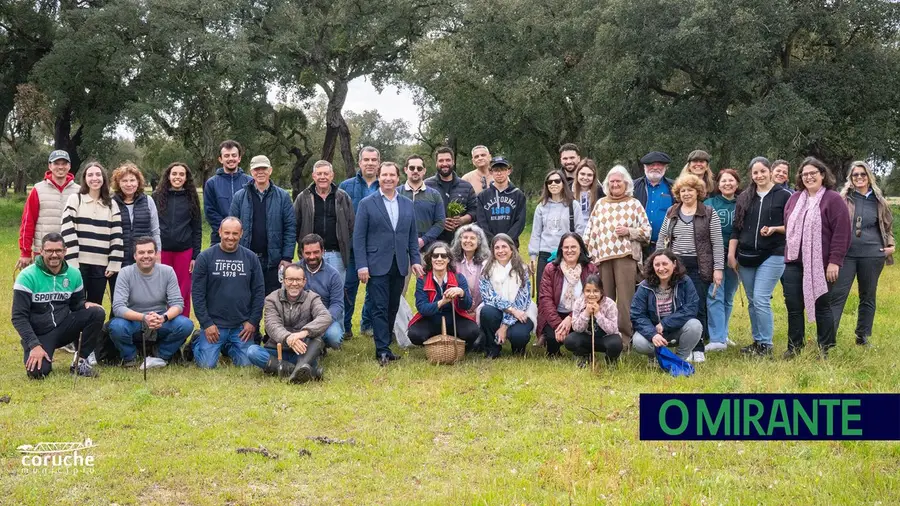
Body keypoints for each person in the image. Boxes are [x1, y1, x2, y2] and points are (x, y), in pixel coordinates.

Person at [353, 161, 424, 366]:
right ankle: (382, 349)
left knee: (393, 305)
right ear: (378, 176)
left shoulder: (406, 204)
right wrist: (362, 266)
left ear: (397, 177)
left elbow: (412, 236)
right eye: (384, 175)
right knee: (379, 307)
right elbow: (359, 238)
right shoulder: (367, 204)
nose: (388, 179)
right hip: (376, 264)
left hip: (400, 264)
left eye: (392, 175)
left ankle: (387, 343)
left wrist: (415, 261)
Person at [783, 157, 851, 359]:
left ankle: (825, 348)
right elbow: (789, 227)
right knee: (794, 307)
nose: (809, 177)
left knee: (823, 306)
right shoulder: (794, 198)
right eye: (805, 174)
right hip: (794, 262)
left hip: (821, 264)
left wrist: (834, 261)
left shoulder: (833, 199)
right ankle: (794, 348)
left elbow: (842, 233)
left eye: (813, 173)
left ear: (822, 175)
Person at [13, 233, 104, 379]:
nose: (54, 255)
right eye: (49, 251)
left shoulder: (74, 274)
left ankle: (79, 362)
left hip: (63, 327)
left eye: (58, 251)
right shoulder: (27, 276)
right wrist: (34, 345)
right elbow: (18, 317)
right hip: (39, 334)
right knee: (38, 373)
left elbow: (76, 304)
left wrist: (85, 304)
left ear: (65, 251)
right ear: (41, 251)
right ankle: (35, 349)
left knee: (96, 312)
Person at [656, 174, 724, 363]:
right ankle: (680, 344)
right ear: (678, 193)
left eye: (690, 190)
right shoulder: (672, 211)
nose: (686, 194)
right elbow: (662, 238)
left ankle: (699, 347)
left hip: (700, 266)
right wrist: (660, 262)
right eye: (683, 190)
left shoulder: (709, 213)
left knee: (698, 306)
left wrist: (718, 269)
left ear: (698, 192)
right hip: (675, 266)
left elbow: (717, 244)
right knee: (676, 306)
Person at [728, 157, 792, 356]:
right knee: (752, 300)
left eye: (763, 171)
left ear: (770, 171)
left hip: (774, 253)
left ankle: (766, 344)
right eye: (755, 173)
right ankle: (757, 341)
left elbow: (794, 226)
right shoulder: (745, 197)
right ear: (751, 175)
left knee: (761, 298)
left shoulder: (785, 196)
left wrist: (774, 229)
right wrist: (732, 254)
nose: (759, 176)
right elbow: (736, 228)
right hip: (746, 255)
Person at [583, 165, 651, 348]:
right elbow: (589, 232)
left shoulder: (634, 204)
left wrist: (629, 231)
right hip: (603, 259)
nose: (614, 184)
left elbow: (647, 232)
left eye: (618, 181)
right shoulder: (601, 204)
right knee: (605, 299)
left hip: (625, 258)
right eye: (611, 181)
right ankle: (606, 337)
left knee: (625, 301)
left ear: (626, 183)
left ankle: (625, 339)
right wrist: (590, 253)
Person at [830, 161, 895, 346]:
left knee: (867, 296)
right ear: (850, 178)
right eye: (855, 175)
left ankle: (862, 336)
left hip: (873, 254)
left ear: (869, 177)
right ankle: (828, 339)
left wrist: (891, 245)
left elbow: (888, 227)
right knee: (837, 296)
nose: (859, 177)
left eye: (862, 174)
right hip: (846, 255)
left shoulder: (879, 201)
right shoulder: (842, 199)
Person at [109, 237, 194, 369]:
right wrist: (144, 318)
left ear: (156, 254)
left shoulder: (167, 272)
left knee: (186, 324)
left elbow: (178, 304)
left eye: (150, 252)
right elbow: (118, 308)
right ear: (135, 256)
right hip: (135, 320)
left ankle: (160, 356)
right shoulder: (125, 273)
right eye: (141, 253)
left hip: (159, 319)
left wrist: (164, 317)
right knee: (116, 326)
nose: (146, 256)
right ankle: (130, 357)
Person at [191, 217, 265, 368]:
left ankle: (226, 346)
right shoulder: (205, 257)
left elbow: (259, 292)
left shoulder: (251, 258)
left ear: (241, 234)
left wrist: (252, 322)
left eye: (235, 233)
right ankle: (197, 340)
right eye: (227, 233)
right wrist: (207, 323)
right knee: (207, 365)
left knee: (247, 364)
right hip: (214, 326)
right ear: (219, 232)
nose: (230, 237)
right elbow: (197, 294)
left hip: (241, 326)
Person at [247, 264, 331, 383]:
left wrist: (302, 333)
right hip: (277, 350)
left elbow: (325, 317)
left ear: (304, 281)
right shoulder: (271, 299)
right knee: (252, 351)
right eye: (290, 279)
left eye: (298, 280)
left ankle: (290, 368)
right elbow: (272, 325)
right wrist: (288, 338)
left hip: (302, 351)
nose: (294, 283)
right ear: (284, 280)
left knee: (316, 340)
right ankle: (303, 371)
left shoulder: (312, 298)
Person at [228, 155, 296, 297]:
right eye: (256, 169)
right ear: (251, 172)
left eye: (263, 168)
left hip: (273, 261)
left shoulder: (283, 197)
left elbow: (290, 228)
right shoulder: (239, 197)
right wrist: (233, 254)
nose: (260, 172)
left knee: (274, 304)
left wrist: (287, 257)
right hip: (246, 259)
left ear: (270, 170)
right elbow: (231, 228)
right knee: (246, 301)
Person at [60, 161, 124, 304]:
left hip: (101, 265)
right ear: (84, 178)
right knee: (76, 304)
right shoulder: (75, 199)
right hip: (78, 263)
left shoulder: (111, 204)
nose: (94, 178)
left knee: (95, 305)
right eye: (90, 175)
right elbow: (67, 231)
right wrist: (72, 261)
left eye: (98, 174)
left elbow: (117, 235)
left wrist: (114, 262)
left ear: (103, 178)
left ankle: (94, 328)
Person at [339, 146, 381, 339]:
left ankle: (367, 324)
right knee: (348, 288)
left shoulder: (386, 186)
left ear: (378, 163)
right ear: (360, 162)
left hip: (377, 248)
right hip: (352, 248)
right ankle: (345, 327)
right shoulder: (346, 186)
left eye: (374, 160)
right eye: (366, 160)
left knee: (374, 290)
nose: (370, 163)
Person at [631, 250, 702, 360]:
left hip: (676, 329)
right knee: (639, 342)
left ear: (674, 264)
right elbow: (637, 315)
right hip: (654, 331)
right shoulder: (644, 287)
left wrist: (665, 323)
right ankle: (655, 357)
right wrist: (652, 334)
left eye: (665, 264)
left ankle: (679, 359)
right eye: (657, 265)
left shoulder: (685, 282)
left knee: (695, 325)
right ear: (652, 267)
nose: (661, 268)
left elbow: (692, 308)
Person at [152, 162, 202, 318]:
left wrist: (195, 256)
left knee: (182, 290)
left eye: (181, 174)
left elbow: (197, 229)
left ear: (186, 178)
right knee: (160, 288)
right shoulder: (156, 197)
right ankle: (159, 326)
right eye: (174, 174)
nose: (177, 177)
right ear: (168, 176)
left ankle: (181, 327)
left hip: (184, 252)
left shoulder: (191, 198)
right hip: (162, 251)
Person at [407, 242, 480, 347]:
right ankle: (435, 341)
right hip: (430, 318)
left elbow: (467, 306)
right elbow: (422, 308)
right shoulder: (422, 280)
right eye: (435, 256)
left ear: (448, 259)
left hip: (455, 318)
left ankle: (457, 341)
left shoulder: (459, 278)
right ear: (430, 259)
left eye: (443, 256)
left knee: (472, 331)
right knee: (415, 334)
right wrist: (442, 302)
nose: (439, 259)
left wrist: (461, 293)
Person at [17, 150, 80, 271]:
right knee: (42, 288)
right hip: (43, 252)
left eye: (64, 163)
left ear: (69, 166)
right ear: (50, 166)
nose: (60, 167)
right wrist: (25, 252)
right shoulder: (38, 189)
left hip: (70, 252)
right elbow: (28, 222)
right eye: (56, 163)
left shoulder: (79, 191)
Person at [537, 233, 598, 357]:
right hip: (556, 315)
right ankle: (554, 349)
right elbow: (545, 299)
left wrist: (570, 318)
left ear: (581, 248)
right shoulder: (551, 269)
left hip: (581, 314)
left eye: (573, 247)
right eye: (566, 247)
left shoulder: (590, 268)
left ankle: (581, 350)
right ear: (561, 249)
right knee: (552, 337)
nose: (569, 250)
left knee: (579, 340)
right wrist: (559, 325)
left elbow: (593, 297)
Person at [294, 160, 354, 281]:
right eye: (319, 174)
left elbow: (351, 225)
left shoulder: (342, 197)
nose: (323, 177)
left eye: (326, 174)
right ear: (313, 176)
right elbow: (294, 224)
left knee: (335, 294)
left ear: (332, 175)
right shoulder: (303, 197)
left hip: (337, 255)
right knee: (310, 294)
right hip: (310, 255)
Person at [528, 170, 584, 295]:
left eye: (557, 181)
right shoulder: (541, 207)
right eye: (550, 181)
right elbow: (536, 233)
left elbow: (580, 230)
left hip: (566, 254)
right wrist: (533, 256)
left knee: (564, 293)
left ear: (563, 183)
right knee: (543, 293)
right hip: (545, 254)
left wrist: (576, 251)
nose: (553, 184)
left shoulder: (573, 205)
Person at [703, 168, 741, 352]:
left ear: (737, 184)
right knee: (715, 294)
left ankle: (724, 334)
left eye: (731, 180)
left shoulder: (743, 203)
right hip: (715, 255)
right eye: (723, 181)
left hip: (736, 257)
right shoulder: (710, 204)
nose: (727, 184)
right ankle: (716, 338)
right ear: (718, 184)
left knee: (728, 296)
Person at [480, 234, 534, 358]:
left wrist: (505, 325)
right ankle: (492, 348)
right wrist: (511, 310)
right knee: (486, 311)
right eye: (497, 248)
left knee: (518, 336)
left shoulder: (522, 269)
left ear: (511, 249)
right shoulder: (486, 270)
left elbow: (523, 299)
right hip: (498, 310)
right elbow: (489, 296)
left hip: (520, 310)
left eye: (504, 247)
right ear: (493, 251)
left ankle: (518, 348)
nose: (501, 251)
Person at [297, 234, 345, 350]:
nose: (312, 256)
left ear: (323, 251)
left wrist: (322, 322)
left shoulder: (333, 275)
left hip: (325, 318)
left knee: (334, 336)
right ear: (302, 253)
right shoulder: (294, 271)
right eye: (308, 253)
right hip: (299, 319)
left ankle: (319, 345)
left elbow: (337, 304)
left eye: (316, 252)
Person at [111, 162, 161, 269]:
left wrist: (158, 254)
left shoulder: (148, 201)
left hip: (144, 259)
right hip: (119, 261)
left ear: (138, 182)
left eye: (132, 180)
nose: (129, 184)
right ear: (118, 183)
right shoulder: (111, 203)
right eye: (124, 181)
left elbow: (155, 231)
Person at [568, 274, 623, 367]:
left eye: (596, 291)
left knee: (616, 343)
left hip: (605, 339)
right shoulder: (579, 303)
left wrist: (598, 314)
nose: (592, 294)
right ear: (583, 292)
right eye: (588, 291)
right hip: (586, 338)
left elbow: (612, 330)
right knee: (570, 340)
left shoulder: (610, 304)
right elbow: (577, 328)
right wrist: (586, 313)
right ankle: (585, 355)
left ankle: (610, 359)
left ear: (601, 292)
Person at [204, 140, 252, 244]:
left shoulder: (250, 182)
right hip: (219, 239)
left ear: (239, 158)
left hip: (246, 240)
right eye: (226, 156)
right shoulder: (211, 183)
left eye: (234, 155)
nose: (230, 158)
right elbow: (210, 211)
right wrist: (226, 230)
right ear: (220, 159)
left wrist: (240, 231)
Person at [425, 146, 477, 244]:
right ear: (436, 163)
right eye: (441, 161)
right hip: (433, 242)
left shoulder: (466, 186)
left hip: (460, 242)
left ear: (453, 162)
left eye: (448, 160)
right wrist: (439, 222)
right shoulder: (427, 185)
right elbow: (421, 213)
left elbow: (475, 210)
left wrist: (462, 220)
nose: (444, 164)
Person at [474, 157, 527, 246]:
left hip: (511, 245)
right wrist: (493, 241)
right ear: (491, 172)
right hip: (489, 245)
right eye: (496, 170)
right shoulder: (482, 196)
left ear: (509, 171)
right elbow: (481, 222)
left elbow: (520, 222)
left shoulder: (518, 195)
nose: (499, 173)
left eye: (503, 169)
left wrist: (507, 241)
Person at [398, 154, 445, 251]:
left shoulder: (435, 195)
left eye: (419, 168)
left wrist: (423, 240)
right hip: (401, 250)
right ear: (405, 169)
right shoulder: (396, 193)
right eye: (412, 168)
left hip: (427, 250)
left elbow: (440, 222)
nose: (415, 171)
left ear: (424, 171)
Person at [634, 151, 675, 257]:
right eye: (651, 164)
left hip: (666, 246)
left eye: (659, 165)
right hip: (639, 246)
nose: (655, 167)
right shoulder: (633, 187)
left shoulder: (674, 187)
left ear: (665, 167)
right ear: (644, 167)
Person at [450, 224, 491, 323]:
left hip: (481, 308)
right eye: (465, 237)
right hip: (457, 309)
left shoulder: (487, 262)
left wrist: (476, 311)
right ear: (460, 240)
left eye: (472, 238)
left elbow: (489, 291)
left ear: (479, 241)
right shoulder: (451, 261)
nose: (468, 241)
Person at [573, 158, 605, 230]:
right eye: (582, 174)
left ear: (594, 177)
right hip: (574, 233)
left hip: (593, 232)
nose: (585, 178)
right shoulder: (569, 191)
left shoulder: (600, 192)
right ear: (577, 174)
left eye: (589, 175)